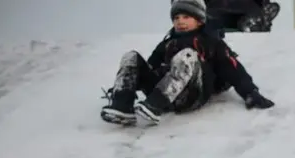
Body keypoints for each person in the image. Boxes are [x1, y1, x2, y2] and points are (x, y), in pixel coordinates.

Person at [100, 0, 274, 128]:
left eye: (186, 17)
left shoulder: (210, 41)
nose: (180, 21)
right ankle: (122, 105)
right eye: (176, 18)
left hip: (192, 94)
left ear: (199, 20)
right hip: (167, 89)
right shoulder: (169, 42)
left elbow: (233, 68)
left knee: (187, 55)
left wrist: (250, 92)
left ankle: (155, 105)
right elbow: (151, 66)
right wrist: (133, 80)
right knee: (131, 57)